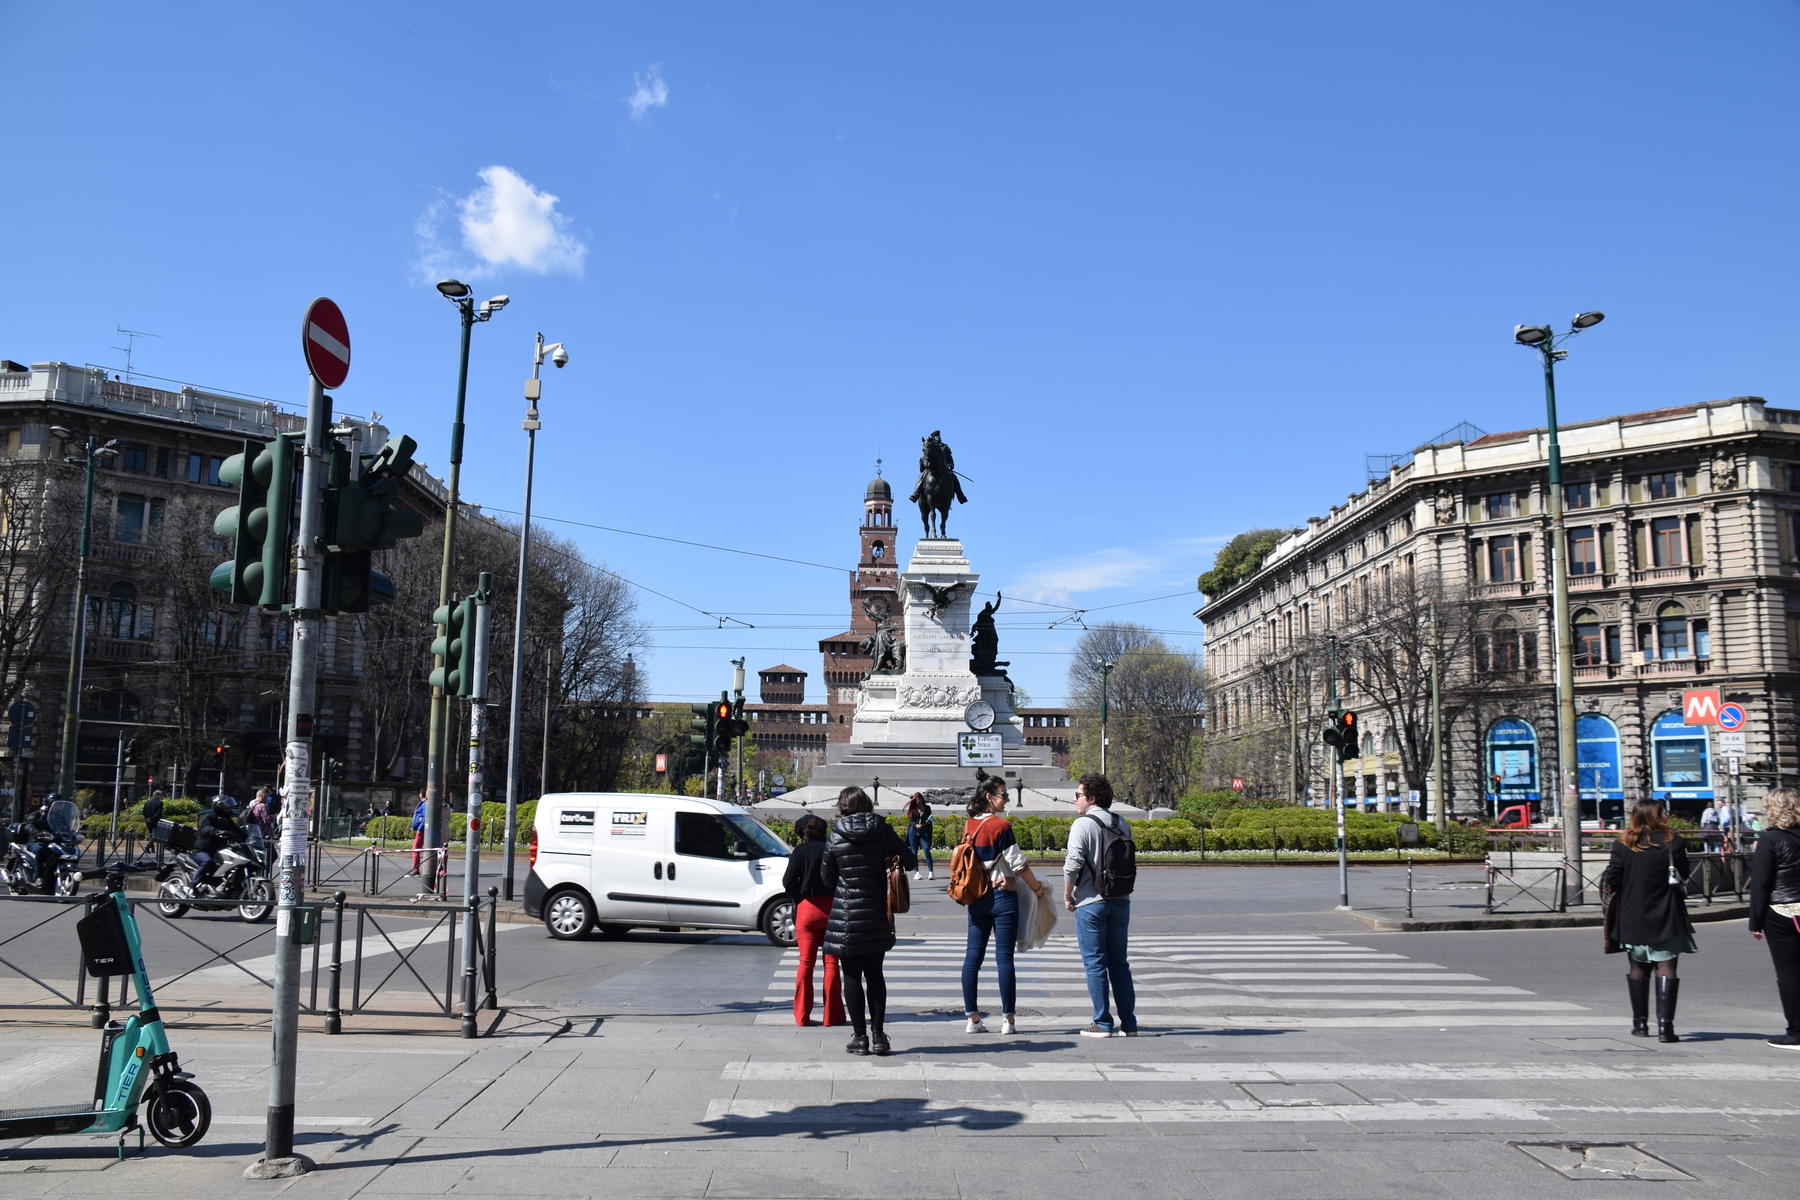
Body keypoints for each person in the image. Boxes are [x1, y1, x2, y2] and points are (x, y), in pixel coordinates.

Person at [820, 786, 915, 1056]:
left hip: (846, 916)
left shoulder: (835, 835)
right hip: (877, 912)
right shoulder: (883, 830)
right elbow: (909, 861)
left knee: (851, 976)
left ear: (842, 807)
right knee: (875, 974)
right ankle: (879, 1035)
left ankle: (860, 1038)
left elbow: (827, 879)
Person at [1601, 799, 1697, 1042]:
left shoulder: (1623, 844)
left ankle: (1640, 1024)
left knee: (1638, 967)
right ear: (1655, 815)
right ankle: (1666, 1028)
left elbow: (1612, 878)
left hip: (1633, 913)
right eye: (1663, 811)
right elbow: (1684, 873)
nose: (1667, 815)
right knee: (1667, 967)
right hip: (1668, 913)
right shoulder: (1673, 842)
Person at [959, 776, 1049, 1035]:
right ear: (989, 797)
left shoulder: (970, 824)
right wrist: (1037, 888)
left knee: (972, 958)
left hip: (976, 897)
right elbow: (1018, 864)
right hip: (1002, 896)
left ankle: (972, 1019)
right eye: (1003, 795)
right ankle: (1008, 1020)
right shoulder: (1001, 825)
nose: (1007, 799)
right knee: (1004, 959)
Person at [1063, 773, 1137, 1037]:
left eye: (1078, 795)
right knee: (1119, 963)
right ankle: (1129, 1023)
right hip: (1121, 899)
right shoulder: (1121, 822)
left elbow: (1073, 863)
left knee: (1095, 963)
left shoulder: (1083, 824)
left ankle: (1102, 1022)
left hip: (1091, 901)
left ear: (1091, 798)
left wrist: (1067, 894)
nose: (1075, 800)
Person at [1748, 788, 1800, 1049]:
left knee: (1789, 972)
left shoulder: (1770, 839)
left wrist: (1755, 921)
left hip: (1783, 910)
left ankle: (1796, 1032)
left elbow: (1761, 883)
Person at [782, 815, 845, 1027]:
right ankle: (832, 1016)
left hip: (808, 908)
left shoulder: (800, 851)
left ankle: (802, 1016)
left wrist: (798, 896)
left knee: (806, 963)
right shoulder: (832, 848)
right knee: (832, 963)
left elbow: (788, 881)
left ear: (803, 833)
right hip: (832, 908)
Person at [193, 795, 245, 894]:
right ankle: (193, 886)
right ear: (219, 808)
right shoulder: (208, 817)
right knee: (207, 861)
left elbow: (237, 831)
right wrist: (217, 831)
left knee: (234, 863)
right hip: (203, 850)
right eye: (227, 808)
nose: (229, 810)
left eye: (230, 807)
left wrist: (248, 836)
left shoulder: (227, 820)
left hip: (219, 851)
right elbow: (205, 828)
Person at [905, 793, 935, 881]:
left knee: (927, 850)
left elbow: (929, 819)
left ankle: (931, 872)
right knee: (914, 852)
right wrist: (915, 825)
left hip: (924, 830)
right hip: (914, 831)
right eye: (916, 801)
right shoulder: (912, 809)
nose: (918, 802)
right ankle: (916, 872)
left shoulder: (927, 808)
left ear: (922, 799)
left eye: (919, 800)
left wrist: (928, 821)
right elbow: (911, 821)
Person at [409, 791, 427, 875]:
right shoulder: (425, 804)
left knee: (415, 849)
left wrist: (420, 829)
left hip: (422, 830)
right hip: (423, 829)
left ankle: (416, 870)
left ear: (421, 794)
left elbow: (426, 817)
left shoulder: (424, 804)